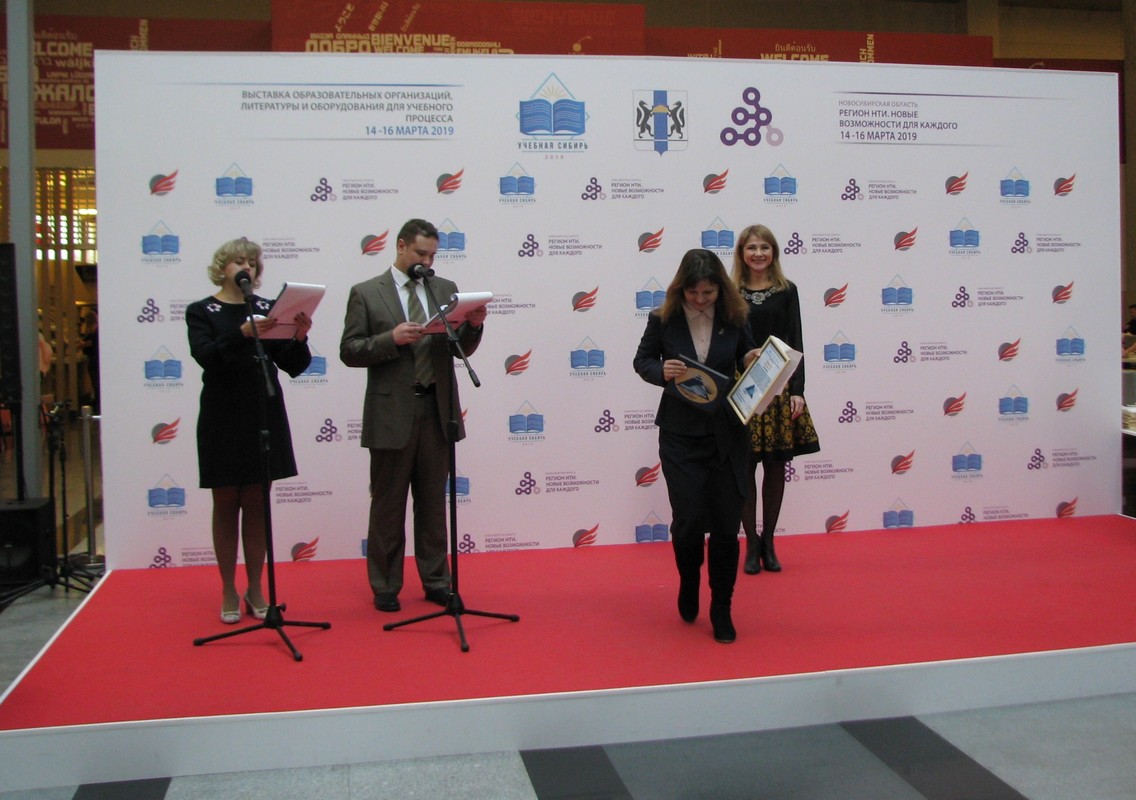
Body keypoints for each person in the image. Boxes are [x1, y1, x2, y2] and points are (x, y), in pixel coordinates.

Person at [339, 218, 486, 613]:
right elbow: (350, 350)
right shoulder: (367, 292)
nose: (427, 262)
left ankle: (437, 581)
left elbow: (459, 348)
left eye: (433, 255)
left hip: (437, 409)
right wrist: (390, 339)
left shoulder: (445, 290)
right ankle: (385, 584)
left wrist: (473, 327)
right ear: (401, 246)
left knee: (433, 505)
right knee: (388, 505)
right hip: (391, 413)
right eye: (421, 253)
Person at [634, 248, 758, 644]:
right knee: (687, 522)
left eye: (708, 293)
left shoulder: (735, 315)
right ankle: (689, 580)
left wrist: (754, 358)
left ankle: (721, 607)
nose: (701, 300)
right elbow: (642, 361)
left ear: (720, 288)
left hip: (727, 435)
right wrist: (662, 371)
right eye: (693, 293)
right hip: (680, 436)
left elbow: (746, 356)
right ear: (680, 289)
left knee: (726, 526)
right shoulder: (662, 318)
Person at [186, 238, 312, 624]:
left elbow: (293, 365)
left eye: (252, 263)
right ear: (222, 266)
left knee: (257, 506)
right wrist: (240, 333)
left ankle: (256, 587)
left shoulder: (267, 308)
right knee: (225, 503)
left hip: (263, 412)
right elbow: (205, 356)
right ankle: (228, 587)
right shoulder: (201, 310)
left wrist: (298, 336)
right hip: (222, 416)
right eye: (238, 261)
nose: (247, 268)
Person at [730, 224, 820, 575]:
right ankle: (750, 544)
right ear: (741, 253)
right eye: (751, 247)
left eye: (764, 247)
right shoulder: (731, 291)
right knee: (745, 466)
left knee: (775, 466)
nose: (758, 253)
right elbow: (727, 340)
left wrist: (798, 390)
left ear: (774, 253)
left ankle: (769, 542)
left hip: (780, 386)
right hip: (745, 387)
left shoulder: (787, 290)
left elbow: (796, 338)